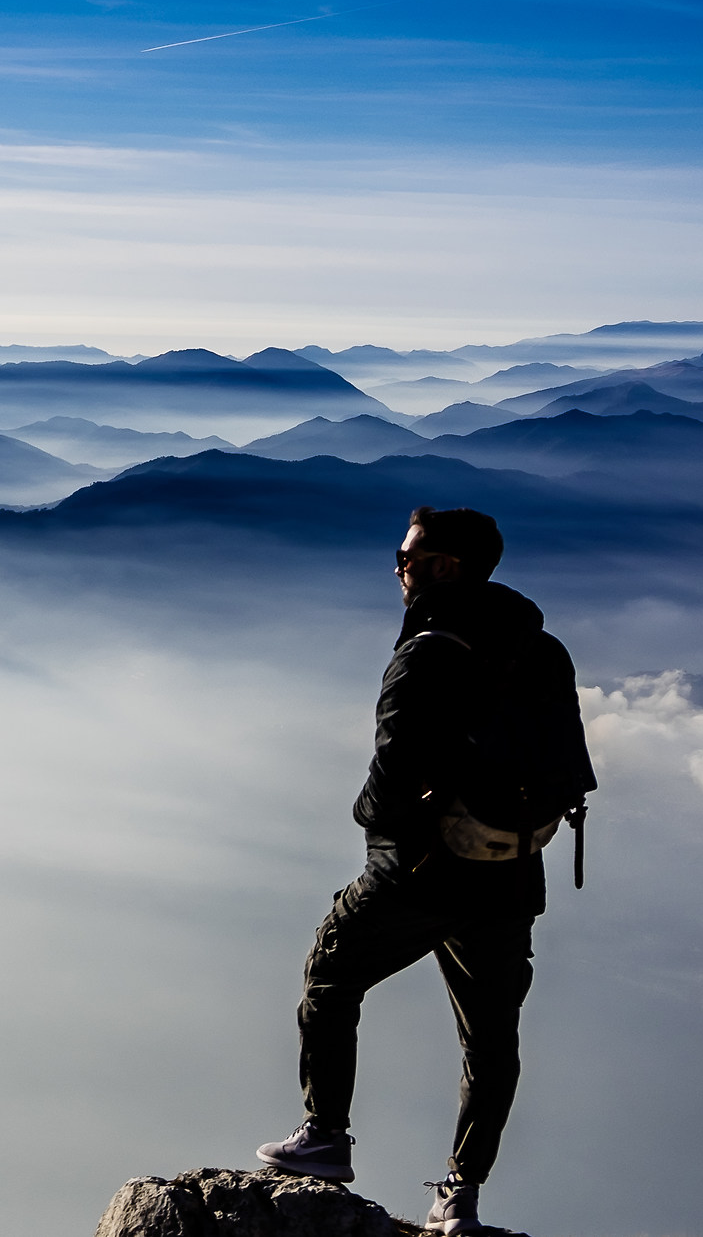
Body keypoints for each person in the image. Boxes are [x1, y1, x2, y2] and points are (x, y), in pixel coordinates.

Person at [254, 506, 595, 1235]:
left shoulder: (429, 650)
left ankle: (324, 1138)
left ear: (446, 568)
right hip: (510, 874)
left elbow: (391, 772)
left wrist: (374, 825)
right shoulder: (544, 648)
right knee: (491, 1042)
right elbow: (574, 770)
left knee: (329, 980)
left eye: (407, 558)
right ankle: (460, 1198)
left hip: (421, 871)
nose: (398, 569)